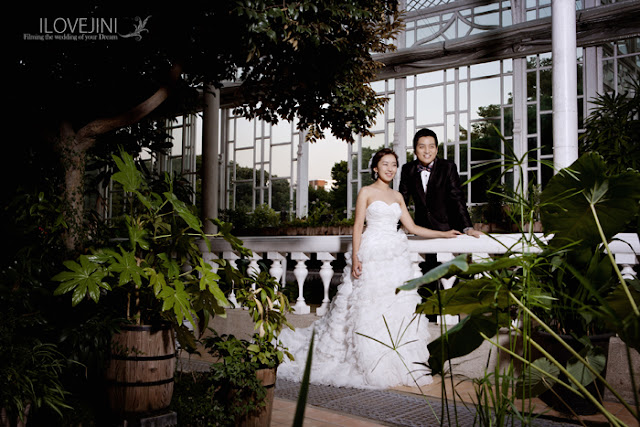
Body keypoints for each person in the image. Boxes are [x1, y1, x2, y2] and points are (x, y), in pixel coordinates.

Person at [277, 148, 461, 389]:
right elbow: (357, 226)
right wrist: (356, 258)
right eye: (385, 164)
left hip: (395, 258)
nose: (390, 168)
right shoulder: (366, 191)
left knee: (394, 306)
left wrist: (444, 234)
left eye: (394, 164)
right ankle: (367, 359)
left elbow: (413, 228)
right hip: (371, 253)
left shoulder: (398, 196)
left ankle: (394, 359)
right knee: (368, 305)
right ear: (375, 168)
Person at [399, 128, 482, 238]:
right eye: (422, 147)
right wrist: (396, 227)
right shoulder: (407, 169)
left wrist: (468, 228)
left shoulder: (448, 167)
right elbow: (401, 201)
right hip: (422, 230)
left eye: (431, 146)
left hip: (449, 229)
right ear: (415, 150)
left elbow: (457, 198)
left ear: (437, 149)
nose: (427, 151)